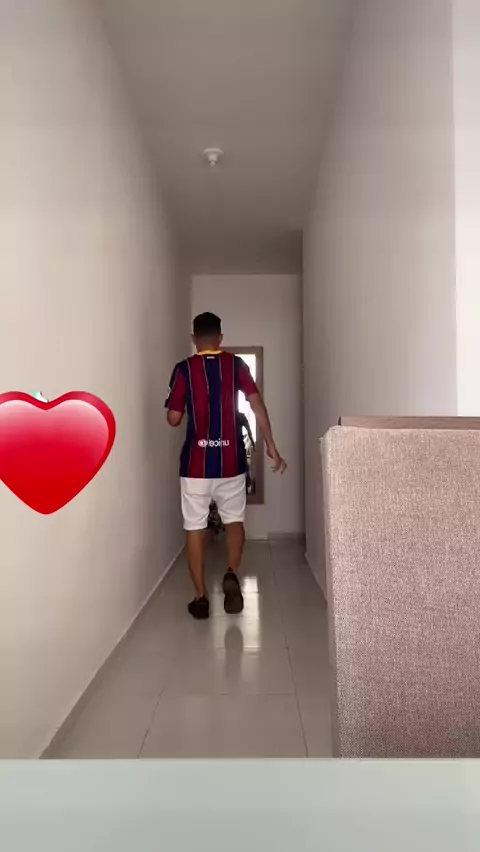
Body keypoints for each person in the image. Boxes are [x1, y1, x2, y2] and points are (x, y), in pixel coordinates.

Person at [165, 311, 287, 620]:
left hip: (196, 465)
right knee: (234, 521)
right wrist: (271, 446)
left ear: (193, 339)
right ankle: (231, 571)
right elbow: (257, 405)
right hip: (231, 461)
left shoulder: (184, 369)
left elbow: (174, 418)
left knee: (195, 526)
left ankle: (200, 598)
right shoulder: (236, 365)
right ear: (220, 338)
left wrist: (185, 406)